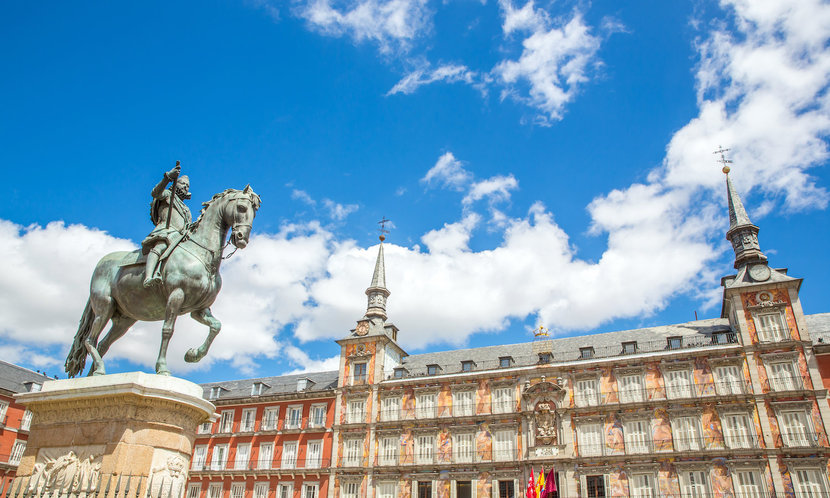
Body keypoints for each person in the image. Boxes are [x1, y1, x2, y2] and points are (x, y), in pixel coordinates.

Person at [141, 163, 192, 287]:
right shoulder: (168, 195)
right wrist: (168, 177)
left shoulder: (187, 209)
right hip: (167, 231)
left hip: (180, 238)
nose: (185, 187)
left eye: (187, 186)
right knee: (160, 247)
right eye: (182, 184)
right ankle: (148, 277)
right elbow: (155, 193)